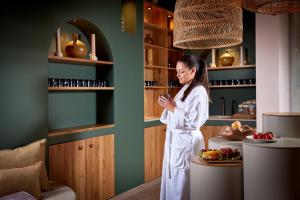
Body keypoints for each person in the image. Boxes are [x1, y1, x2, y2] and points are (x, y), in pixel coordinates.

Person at [158, 54, 210, 200]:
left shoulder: (199, 91)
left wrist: (173, 108)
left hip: (186, 143)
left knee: (183, 182)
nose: (177, 75)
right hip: (176, 142)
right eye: (177, 71)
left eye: (181, 71)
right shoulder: (186, 88)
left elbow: (194, 121)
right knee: (174, 180)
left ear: (193, 71)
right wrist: (168, 105)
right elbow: (175, 113)